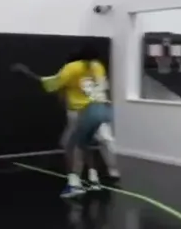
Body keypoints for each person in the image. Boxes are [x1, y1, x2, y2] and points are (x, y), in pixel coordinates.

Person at [12, 43, 120, 198]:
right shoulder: (98, 66)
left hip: (81, 112)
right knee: (87, 144)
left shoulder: (71, 68)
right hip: (99, 109)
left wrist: (27, 73)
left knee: (69, 145)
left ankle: (74, 185)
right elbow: (102, 87)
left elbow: (50, 83)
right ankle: (95, 179)